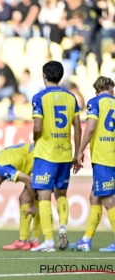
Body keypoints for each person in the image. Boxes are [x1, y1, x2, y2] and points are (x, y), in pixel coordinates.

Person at [30, 61, 82, 252]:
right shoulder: (71, 97)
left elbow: (37, 127)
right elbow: (77, 126)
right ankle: (63, 226)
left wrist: (35, 138)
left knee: (44, 195)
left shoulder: (39, 97)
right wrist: (77, 153)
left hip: (46, 153)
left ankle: (49, 241)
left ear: (44, 75)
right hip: (65, 153)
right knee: (61, 194)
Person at [71, 76, 115, 252]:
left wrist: (80, 150)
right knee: (95, 197)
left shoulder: (95, 102)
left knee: (108, 200)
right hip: (111, 155)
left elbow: (90, 127)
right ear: (110, 88)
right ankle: (86, 239)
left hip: (103, 156)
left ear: (96, 90)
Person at [0, 143, 40, 250]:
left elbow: (28, 180)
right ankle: (29, 240)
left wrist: (32, 205)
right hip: (38, 154)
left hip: (39, 159)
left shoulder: (2, 169)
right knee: (28, 197)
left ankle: (29, 240)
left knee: (31, 198)